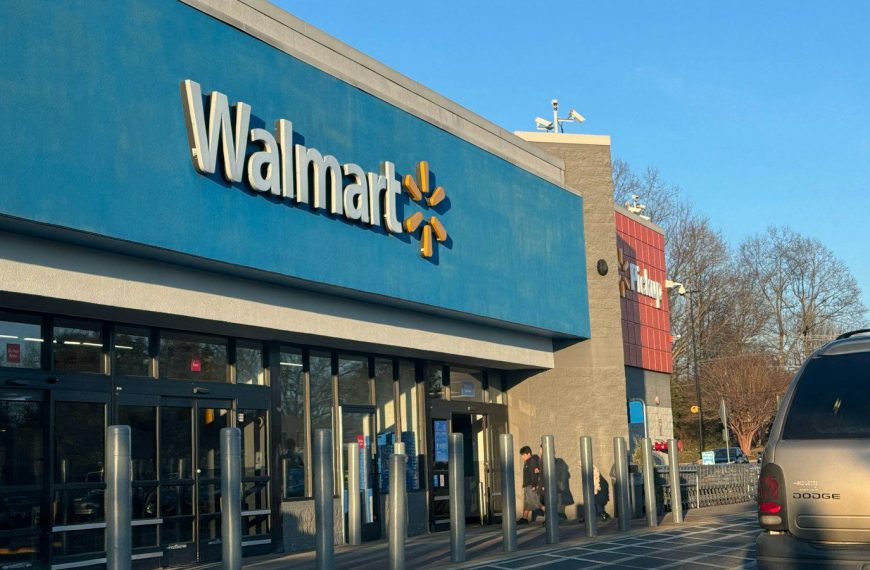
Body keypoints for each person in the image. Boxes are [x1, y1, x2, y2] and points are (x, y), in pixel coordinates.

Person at [518, 445, 543, 523]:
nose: (522, 457)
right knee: (527, 503)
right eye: (522, 455)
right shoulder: (528, 462)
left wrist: (534, 485)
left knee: (537, 502)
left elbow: (534, 474)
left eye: (524, 455)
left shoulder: (532, 461)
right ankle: (524, 518)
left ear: (529, 454)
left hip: (531, 485)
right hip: (527, 486)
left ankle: (551, 517)